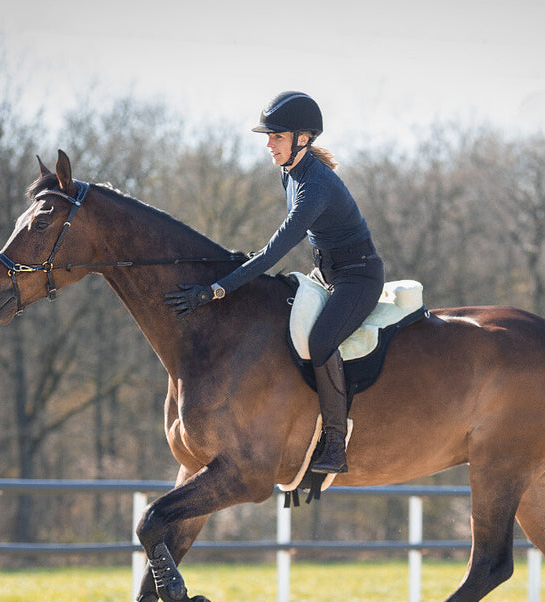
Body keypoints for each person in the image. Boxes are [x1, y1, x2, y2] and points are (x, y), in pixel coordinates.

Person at [165, 91, 385, 475]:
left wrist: (217, 289)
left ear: (303, 138)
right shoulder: (291, 171)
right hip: (327, 274)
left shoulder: (315, 187)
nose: (268, 145)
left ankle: (335, 442)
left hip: (358, 279)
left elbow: (271, 253)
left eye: (277, 137)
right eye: (269, 137)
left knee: (320, 341)